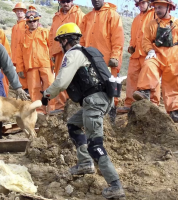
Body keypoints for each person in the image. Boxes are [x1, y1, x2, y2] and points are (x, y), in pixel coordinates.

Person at [42, 23, 125, 199]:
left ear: (65, 40)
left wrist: (47, 95)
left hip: (94, 102)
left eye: (61, 41)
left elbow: (61, 82)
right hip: (102, 100)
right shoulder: (87, 52)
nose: (61, 45)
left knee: (95, 144)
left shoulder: (73, 54)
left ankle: (115, 185)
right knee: (73, 124)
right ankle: (85, 163)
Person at [133, 0, 178, 123]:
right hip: (157, 54)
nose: (157, 10)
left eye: (160, 7)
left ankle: (175, 112)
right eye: (155, 8)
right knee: (148, 65)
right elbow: (146, 40)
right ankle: (144, 92)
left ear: (169, 8)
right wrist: (149, 50)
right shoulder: (152, 24)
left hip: (175, 57)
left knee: (176, 83)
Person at [79, 0, 124, 122]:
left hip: (107, 60)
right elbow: (82, 39)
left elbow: (118, 38)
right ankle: (95, 115)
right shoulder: (87, 17)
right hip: (90, 61)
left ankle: (111, 116)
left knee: (111, 87)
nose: (96, 1)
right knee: (92, 87)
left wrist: (115, 56)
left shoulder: (112, 15)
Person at [117, 0, 160, 114]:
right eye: (138, 4)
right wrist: (131, 46)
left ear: (148, 3)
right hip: (136, 54)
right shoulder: (136, 19)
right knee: (132, 78)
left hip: (149, 52)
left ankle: (153, 104)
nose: (141, 6)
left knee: (151, 78)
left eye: (143, 3)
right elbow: (133, 36)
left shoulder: (155, 14)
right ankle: (129, 104)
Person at [16, 7, 55, 115]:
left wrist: (53, 63)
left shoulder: (45, 32)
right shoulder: (22, 36)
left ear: (38, 21)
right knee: (34, 90)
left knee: (50, 86)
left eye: (34, 21)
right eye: (30, 21)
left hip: (45, 64)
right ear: (27, 22)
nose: (32, 23)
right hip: (30, 67)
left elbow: (51, 48)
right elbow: (19, 54)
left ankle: (52, 109)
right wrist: (19, 68)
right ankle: (39, 112)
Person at [48, 0, 85, 115]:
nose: (65, 3)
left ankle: (75, 105)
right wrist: (52, 53)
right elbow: (51, 36)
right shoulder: (56, 17)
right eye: (63, 1)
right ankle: (61, 106)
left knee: (75, 77)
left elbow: (83, 34)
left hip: (74, 52)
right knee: (61, 77)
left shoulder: (79, 15)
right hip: (59, 53)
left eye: (68, 1)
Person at [11, 2, 29, 94]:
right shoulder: (14, 27)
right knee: (21, 80)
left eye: (21, 11)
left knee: (28, 80)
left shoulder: (27, 24)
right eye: (17, 11)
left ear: (25, 12)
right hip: (17, 59)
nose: (19, 12)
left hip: (25, 56)